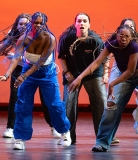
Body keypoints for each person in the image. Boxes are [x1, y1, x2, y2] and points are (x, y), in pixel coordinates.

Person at [68, 24, 138, 152]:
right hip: (124, 77)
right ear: (116, 35)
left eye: (127, 36)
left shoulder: (133, 46)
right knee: (111, 105)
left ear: (131, 38)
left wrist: (112, 84)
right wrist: (79, 77)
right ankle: (102, 142)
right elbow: (96, 63)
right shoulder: (111, 44)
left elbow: (130, 71)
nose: (123, 38)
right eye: (121, 35)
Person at [0, 12, 71, 150]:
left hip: (47, 73)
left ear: (45, 24)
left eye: (41, 23)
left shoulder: (50, 39)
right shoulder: (24, 38)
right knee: (23, 104)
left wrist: (24, 76)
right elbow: (16, 57)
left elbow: (40, 62)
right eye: (36, 22)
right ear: (32, 23)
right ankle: (20, 138)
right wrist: (6, 75)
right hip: (28, 71)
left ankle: (65, 132)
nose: (38, 25)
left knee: (54, 105)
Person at [58, 13, 107, 145]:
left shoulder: (96, 40)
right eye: (79, 21)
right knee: (69, 103)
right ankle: (68, 136)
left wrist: (106, 74)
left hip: (93, 73)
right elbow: (61, 56)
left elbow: (103, 59)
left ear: (89, 24)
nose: (82, 23)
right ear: (75, 24)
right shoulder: (66, 38)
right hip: (72, 74)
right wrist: (67, 72)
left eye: (85, 21)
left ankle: (102, 137)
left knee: (101, 102)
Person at [107, 18, 138, 144]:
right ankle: (109, 134)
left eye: (131, 27)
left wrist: (136, 88)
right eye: (125, 26)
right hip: (119, 67)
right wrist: (105, 74)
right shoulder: (114, 41)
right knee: (112, 99)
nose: (128, 29)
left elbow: (136, 66)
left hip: (135, 69)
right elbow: (105, 56)